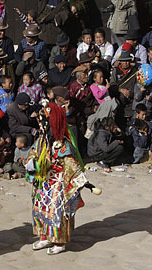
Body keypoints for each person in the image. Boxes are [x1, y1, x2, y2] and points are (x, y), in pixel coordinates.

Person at [27, 90, 97, 255]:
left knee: (57, 210)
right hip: (44, 179)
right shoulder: (42, 141)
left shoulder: (63, 146)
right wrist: (31, 164)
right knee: (39, 206)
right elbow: (33, 154)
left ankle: (59, 241)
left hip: (58, 182)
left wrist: (83, 181)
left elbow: (71, 165)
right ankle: (44, 235)